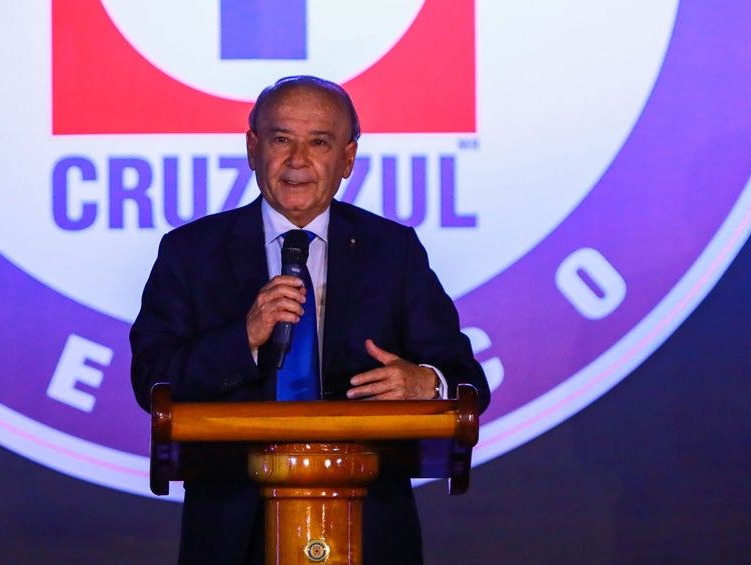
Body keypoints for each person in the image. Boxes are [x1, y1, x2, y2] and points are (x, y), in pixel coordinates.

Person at [130, 75, 490, 564]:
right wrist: (244, 338)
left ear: (347, 158)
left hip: (370, 524)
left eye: (319, 142)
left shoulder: (393, 250)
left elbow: (467, 380)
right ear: (253, 148)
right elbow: (152, 379)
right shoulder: (191, 252)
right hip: (232, 527)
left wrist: (426, 383)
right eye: (281, 139)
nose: (297, 160)